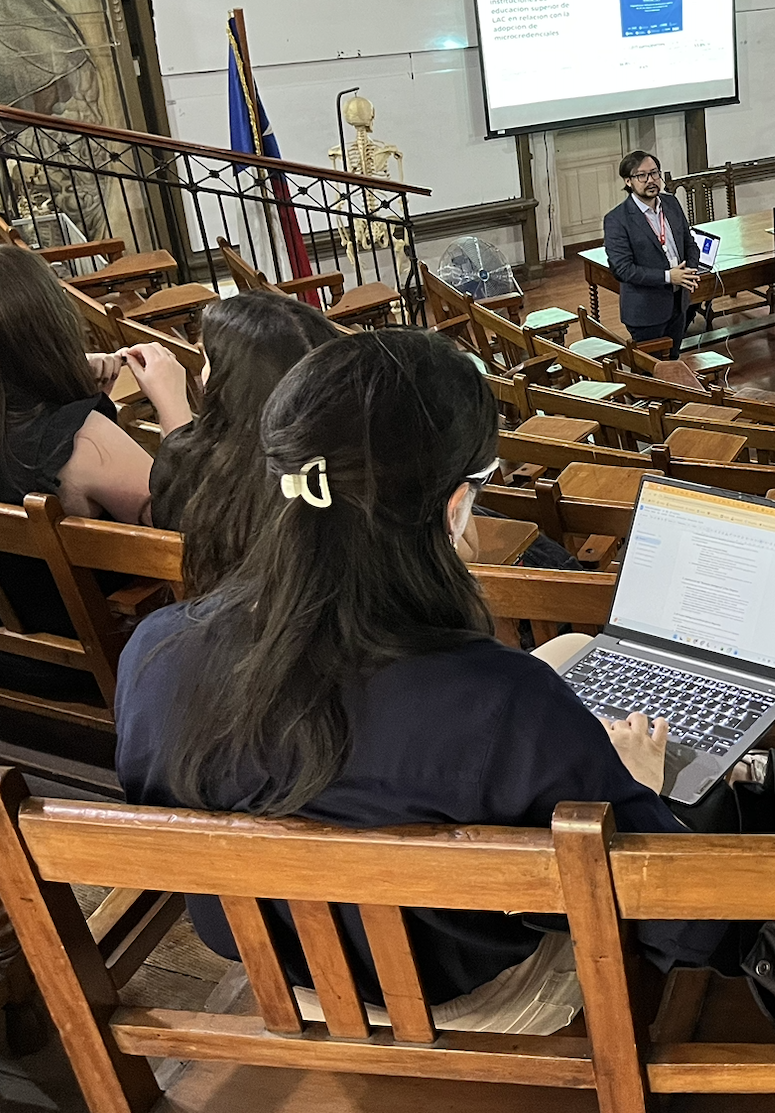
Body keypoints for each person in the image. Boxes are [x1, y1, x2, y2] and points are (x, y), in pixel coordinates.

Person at [116, 331, 730, 1030]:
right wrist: (636, 790)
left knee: (569, 651)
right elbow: (678, 917)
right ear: (453, 506)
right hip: (457, 996)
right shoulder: (503, 706)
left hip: (271, 965)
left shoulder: (156, 652)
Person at [0, 245, 192, 697]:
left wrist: (72, 389)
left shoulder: (63, 430)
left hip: (17, 659)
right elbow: (199, 530)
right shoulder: (81, 440)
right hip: (113, 666)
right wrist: (173, 406)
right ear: (51, 327)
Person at [149, 291, 341, 595]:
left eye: (207, 360)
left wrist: (170, 406)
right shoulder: (347, 458)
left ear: (234, 385)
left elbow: (176, 492)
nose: (202, 375)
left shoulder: (210, 478)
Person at [603, 150, 704, 351]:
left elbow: (689, 243)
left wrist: (688, 272)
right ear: (628, 181)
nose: (651, 180)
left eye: (654, 173)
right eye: (642, 176)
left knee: (673, 363)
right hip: (646, 311)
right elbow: (623, 270)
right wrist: (669, 276)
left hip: (679, 303)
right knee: (652, 372)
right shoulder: (616, 219)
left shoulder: (671, 203)